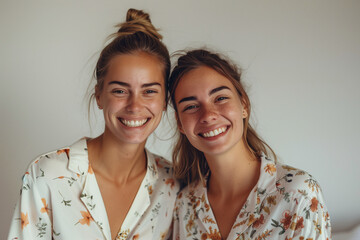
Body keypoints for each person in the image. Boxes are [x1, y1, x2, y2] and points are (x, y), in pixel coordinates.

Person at [8, 8, 179, 240]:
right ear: (99, 95)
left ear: (165, 99)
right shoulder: (46, 175)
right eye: (120, 90)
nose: (134, 106)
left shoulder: (173, 185)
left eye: (149, 91)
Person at [168, 49, 331, 239]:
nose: (208, 115)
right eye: (191, 106)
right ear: (180, 123)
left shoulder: (298, 193)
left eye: (220, 98)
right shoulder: (183, 204)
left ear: (244, 105)